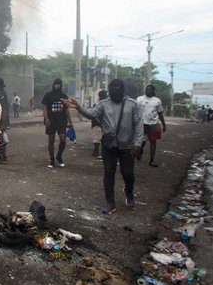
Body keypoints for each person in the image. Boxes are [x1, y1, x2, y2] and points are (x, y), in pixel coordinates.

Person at [64, 79, 144, 214]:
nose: (114, 90)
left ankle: (129, 192)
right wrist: (78, 107)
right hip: (109, 146)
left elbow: (138, 124)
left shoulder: (132, 104)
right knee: (109, 173)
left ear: (122, 89)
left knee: (128, 174)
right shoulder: (103, 104)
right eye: (111, 88)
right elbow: (91, 114)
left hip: (127, 146)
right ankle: (110, 202)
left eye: (117, 88)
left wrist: (138, 144)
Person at [41, 78, 73, 168]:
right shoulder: (48, 95)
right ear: (53, 85)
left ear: (61, 85)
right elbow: (45, 107)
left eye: (58, 84)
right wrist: (46, 118)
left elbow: (66, 109)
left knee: (63, 139)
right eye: (55, 84)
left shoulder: (64, 96)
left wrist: (70, 121)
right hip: (51, 121)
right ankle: (52, 160)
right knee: (51, 140)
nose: (57, 85)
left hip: (61, 121)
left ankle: (59, 156)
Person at [136, 84, 167, 167]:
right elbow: (135, 111)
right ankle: (140, 151)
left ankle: (151, 160)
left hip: (153, 123)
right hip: (142, 123)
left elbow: (160, 114)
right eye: (147, 89)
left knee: (153, 141)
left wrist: (164, 124)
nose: (148, 91)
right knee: (142, 141)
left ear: (153, 91)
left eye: (150, 90)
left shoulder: (157, 101)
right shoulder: (139, 99)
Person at [91, 90, 108, 160]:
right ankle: (97, 150)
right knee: (99, 138)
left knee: (97, 138)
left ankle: (97, 150)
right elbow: (95, 115)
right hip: (99, 123)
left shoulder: (96, 104)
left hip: (97, 123)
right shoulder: (102, 104)